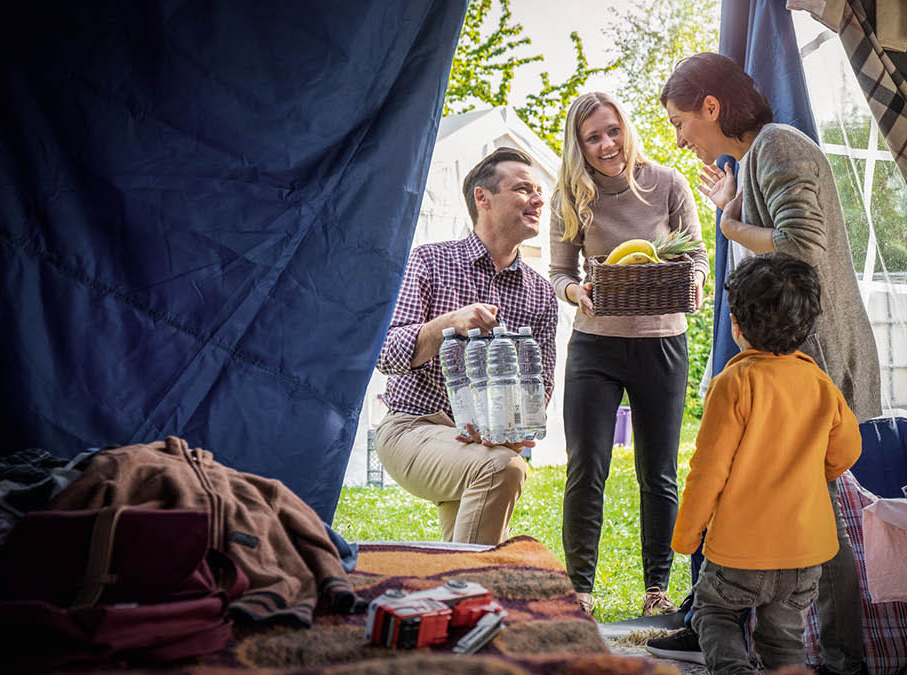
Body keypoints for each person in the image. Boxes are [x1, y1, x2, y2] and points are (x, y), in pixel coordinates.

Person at [646, 53, 880, 675]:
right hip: (794, 355)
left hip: (814, 355)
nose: (679, 136)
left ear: (711, 108)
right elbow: (773, 236)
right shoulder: (757, 158)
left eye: (679, 120)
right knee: (765, 492)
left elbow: (800, 248)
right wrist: (736, 202)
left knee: (816, 512)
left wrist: (726, 222)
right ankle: (710, 617)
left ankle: (841, 660)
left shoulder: (777, 144)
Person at [549, 92, 710, 616]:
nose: (606, 144)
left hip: (661, 341)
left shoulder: (667, 184)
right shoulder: (571, 196)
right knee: (586, 467)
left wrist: (699, 282)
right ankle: (580, 591)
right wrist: (579, 293)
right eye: (592, 137)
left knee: (657, 471)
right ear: (579, 144)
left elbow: (698, 255)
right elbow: (559, 274)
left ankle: (657, 590)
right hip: (595, 345)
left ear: (626, 128)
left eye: (612, 130)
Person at [674, 253, 862, 675]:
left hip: (739, 554)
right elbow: (847, 451)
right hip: (804, 555)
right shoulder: (821, 384)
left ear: (736, 325)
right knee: (783, 641)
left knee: (714, 613)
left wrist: (687, 536)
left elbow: (709, 471)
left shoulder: (733, 384)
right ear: (809, 326)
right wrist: (814, 471)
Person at [374, 147, 557, 546]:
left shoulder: (541, 293)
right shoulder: (428, 262)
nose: (539, 199)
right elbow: (385, 354)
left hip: (487, 441)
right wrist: (448, 324)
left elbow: (541, 383)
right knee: (503, 470)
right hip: (411, 426)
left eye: (540, 191)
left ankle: (457, 598)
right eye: (524, 189)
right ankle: (470, 591)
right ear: (482, 198)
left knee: (469, 530)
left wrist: (513, 429)